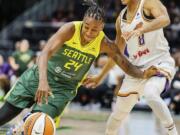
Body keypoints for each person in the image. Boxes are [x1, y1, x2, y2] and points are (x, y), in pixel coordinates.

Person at [0, 0, 158, 127]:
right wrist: (43, 81)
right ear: (83, 21)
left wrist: (143, 73)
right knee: (3, 116)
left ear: (102, 28)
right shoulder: (70, 29)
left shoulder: (104, 43)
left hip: (62, 90)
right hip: (37, 78)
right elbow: (45, 53)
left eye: (94, 30)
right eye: (87, 27)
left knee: (38, 125)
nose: (89, 33)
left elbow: (125, 64)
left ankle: (19, 130)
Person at [83, 0, 178, 135]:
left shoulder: (148, 3)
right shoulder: (120, 20)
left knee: (150, 93)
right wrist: (100, 76)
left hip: (159, 62)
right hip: (136, 70)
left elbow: (165, 19)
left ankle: (173, 132)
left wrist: (142, 29)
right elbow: (117, 54)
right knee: (117, 115)